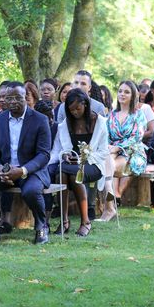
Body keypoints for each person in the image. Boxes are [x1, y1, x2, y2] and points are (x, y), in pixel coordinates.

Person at [0, 82, 51, 245]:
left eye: (18, 97)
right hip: (5, 171)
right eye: (9, 98)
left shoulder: (40, 119)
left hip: (31, 171)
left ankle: (41, 227)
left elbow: (44, 154)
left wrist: (22, 170)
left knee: (30, 191)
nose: (13, 101)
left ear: (26, 98)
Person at [49, 89, 108, 237]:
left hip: (93, 164)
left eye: (78, 108)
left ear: (86, 105)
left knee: (74, 173)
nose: (75, 112)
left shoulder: (99, 122)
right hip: (71, 165)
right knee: (62, 171)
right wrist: (65, 155)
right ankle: (64, 221)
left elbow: (103, 152)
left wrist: (84, 157)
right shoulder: (65, 125)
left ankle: (85, 221)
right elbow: (57, 150)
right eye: (71, 109)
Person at [106, 81, 147, 214]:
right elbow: (106, 134)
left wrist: (117, 148)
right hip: (112, 150)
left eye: (126, 92)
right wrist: (109, 147)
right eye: (120, 91)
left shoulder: (138, 114)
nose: (122, 94)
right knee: (108, 163)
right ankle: (111, 202)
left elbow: (136, 137)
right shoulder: (111, 114)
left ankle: (114, 198)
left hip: (132, 150)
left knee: (111, 166)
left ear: (133, 95)